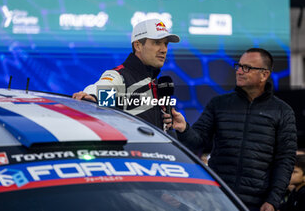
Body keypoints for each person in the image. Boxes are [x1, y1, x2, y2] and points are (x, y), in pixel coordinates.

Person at [164, 48, 297, 211]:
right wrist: (184, 128)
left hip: (258, 204)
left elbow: (285, 160)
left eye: (246, 67)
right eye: (238, 66)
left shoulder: (283, 111)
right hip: (218, 200)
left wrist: (273, 200)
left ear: (264, 75)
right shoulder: (219, 104)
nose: (239, 71)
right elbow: (198, 142)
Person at [72, 19, 180, 129]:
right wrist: (91, 97)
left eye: (165, 44)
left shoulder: (157, 83)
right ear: (138, 46)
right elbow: (103, 87)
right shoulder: (120, 76)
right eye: (157, 43)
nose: (164, 50)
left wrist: (173, 128)